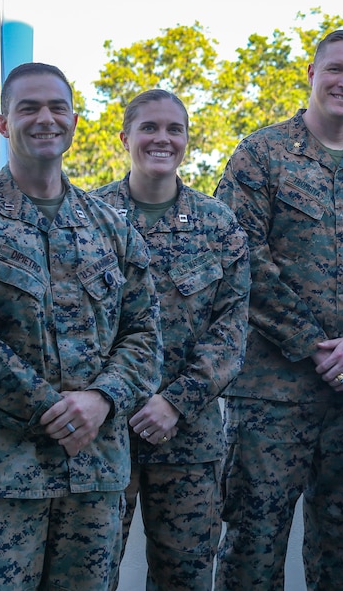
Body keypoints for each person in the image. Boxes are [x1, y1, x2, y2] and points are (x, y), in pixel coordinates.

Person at [213, 29, 343, 590]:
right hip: (271, 395)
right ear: (311, 74)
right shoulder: (261, 155)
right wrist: (313, 343)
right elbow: (238, 256)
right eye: (335, 70)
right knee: (253, 548)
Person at [0, 62, 162, 588]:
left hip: (95, 477)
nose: (44, 118)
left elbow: (143, 333)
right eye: (29, 108)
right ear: (4, 124)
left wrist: (101, 399)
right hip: (3, 479)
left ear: (73, 120)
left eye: (56, 107)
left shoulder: (109, 228)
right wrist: (52, 410)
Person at [93, 89, 250, 590]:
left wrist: (175, 403)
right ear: (125, 138)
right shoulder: (87, 219)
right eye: (149, 128)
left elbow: (231, 330)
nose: (162, 139)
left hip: (188, 440)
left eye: (174, 129)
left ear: (187, 140)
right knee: (90, 577)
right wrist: (114, 398)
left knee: (184, 580)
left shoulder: (218, 226)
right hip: (102, 435)